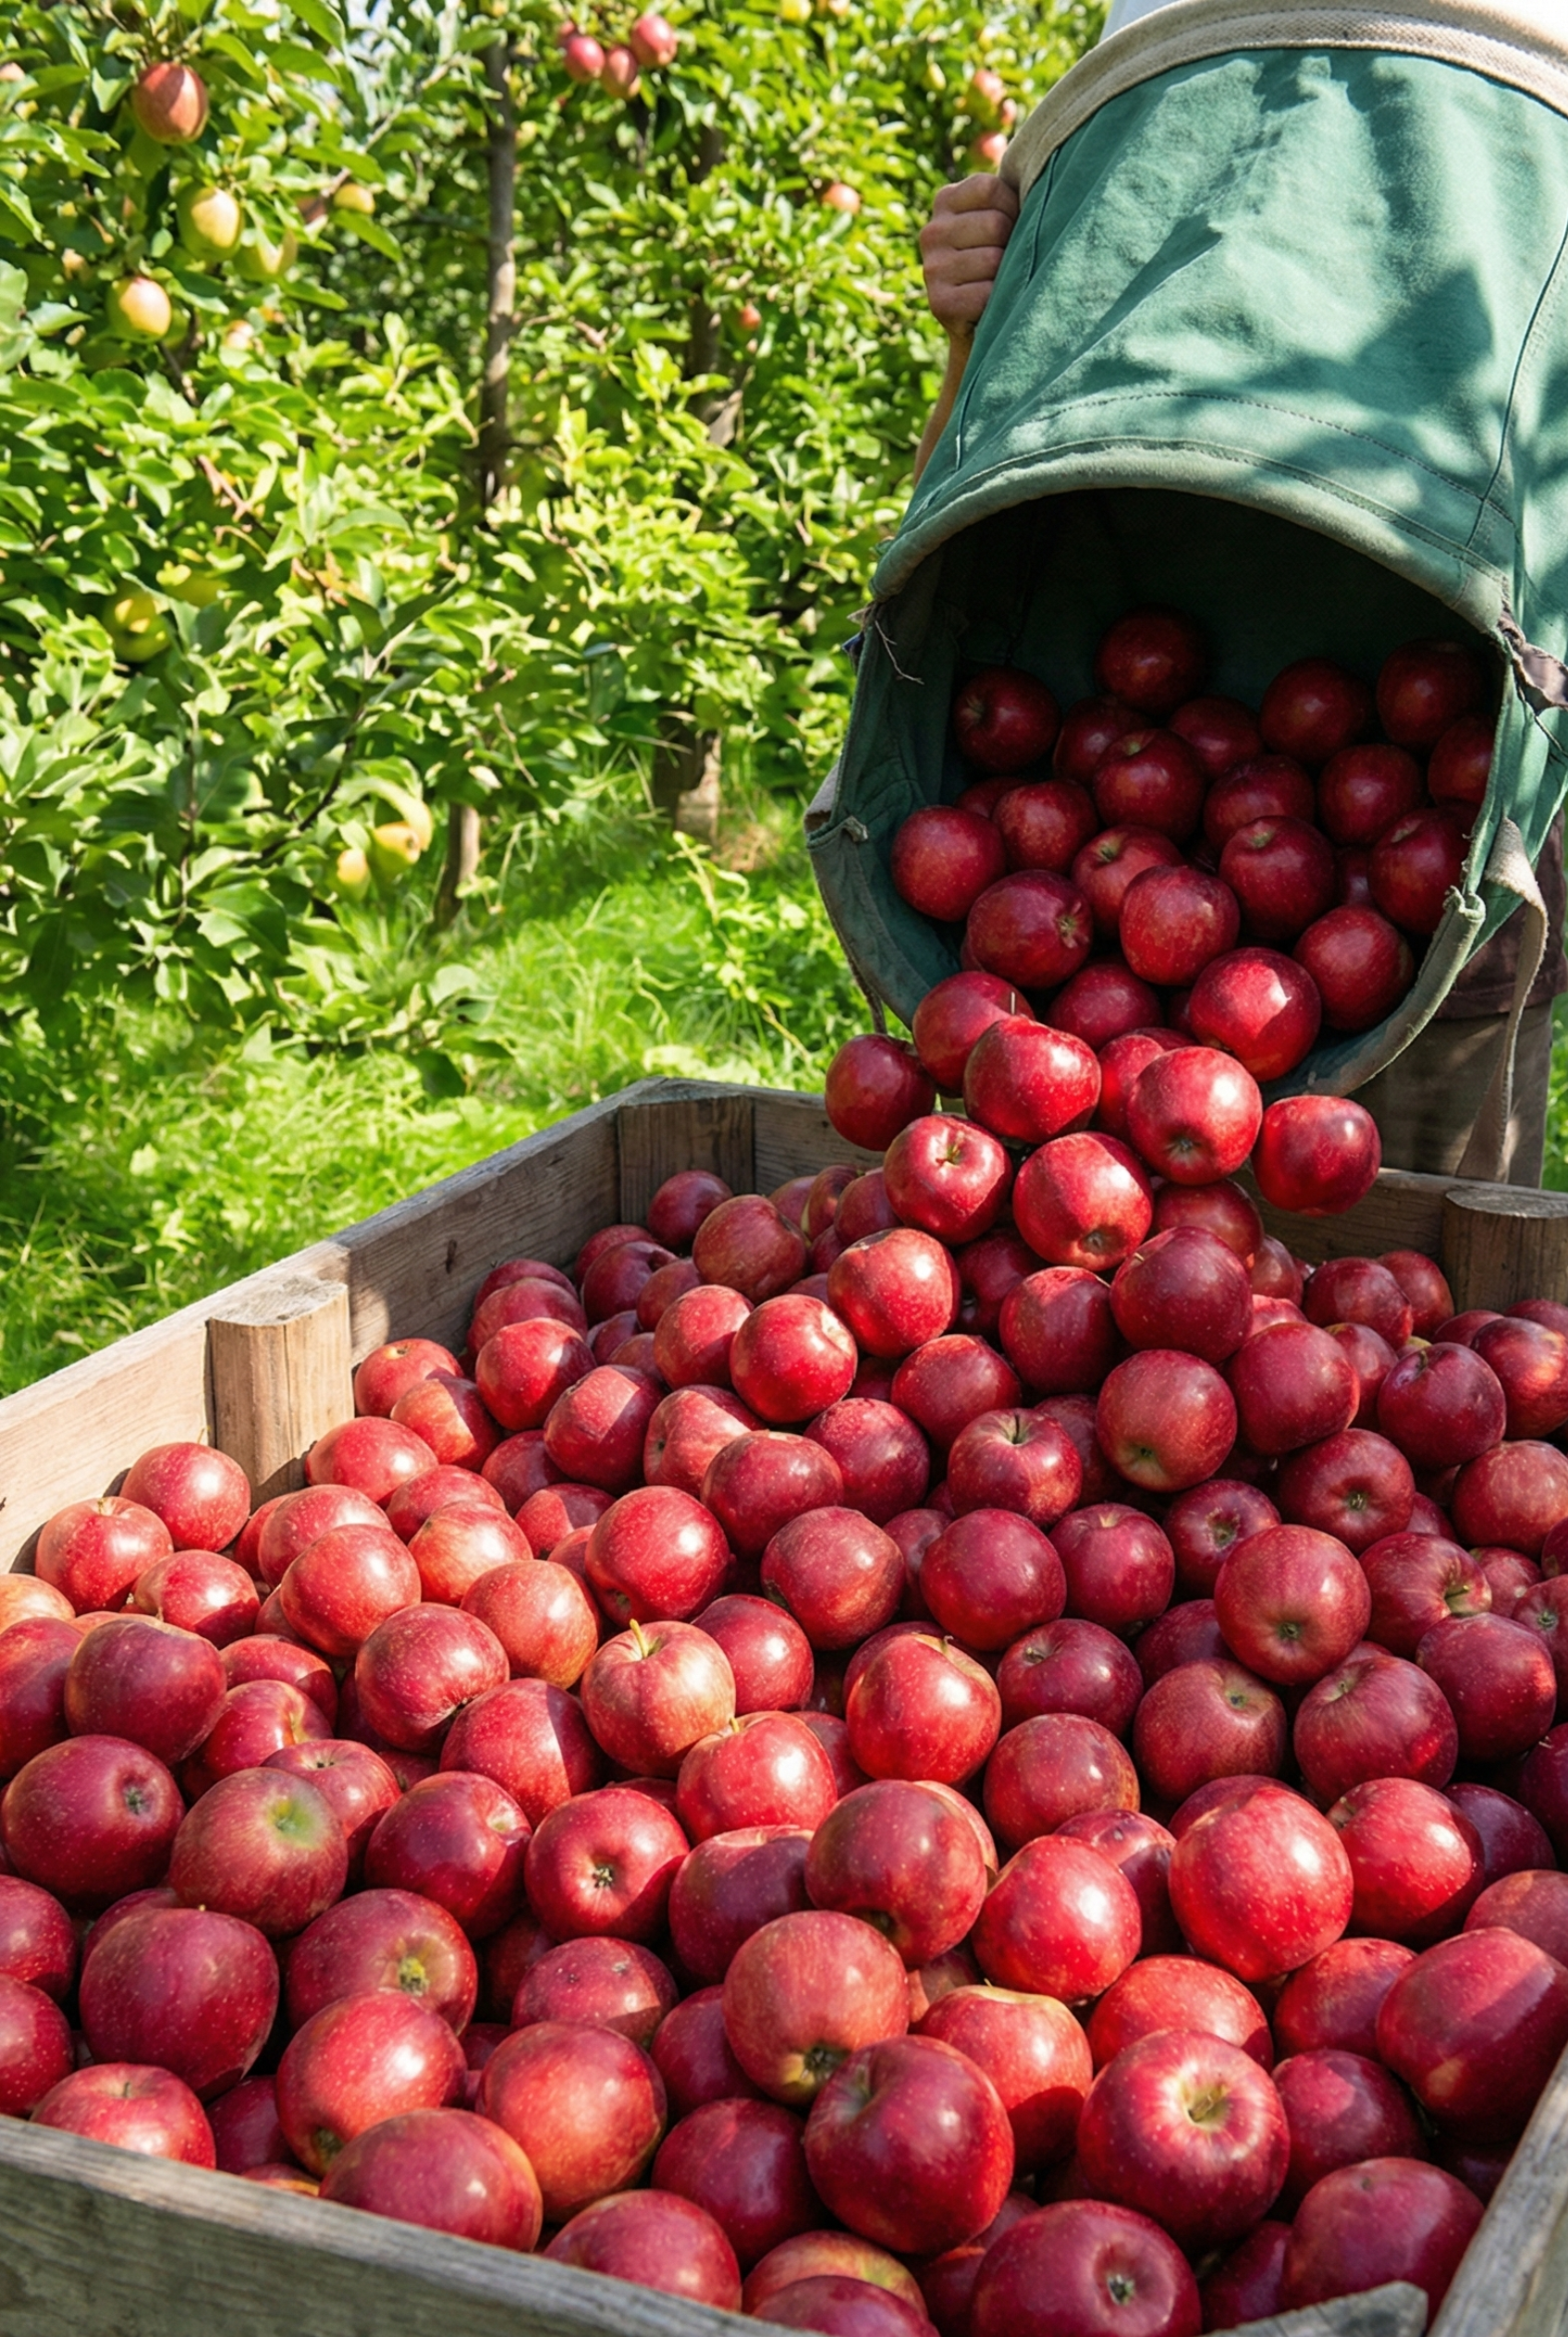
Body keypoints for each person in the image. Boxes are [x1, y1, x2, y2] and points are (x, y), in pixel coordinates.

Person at [913, 37, 1565, 1186]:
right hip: (1158, 662)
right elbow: (960, 498)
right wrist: (986, 318)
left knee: (1432, 1249)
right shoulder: (1151, 48)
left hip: (1465, 731)